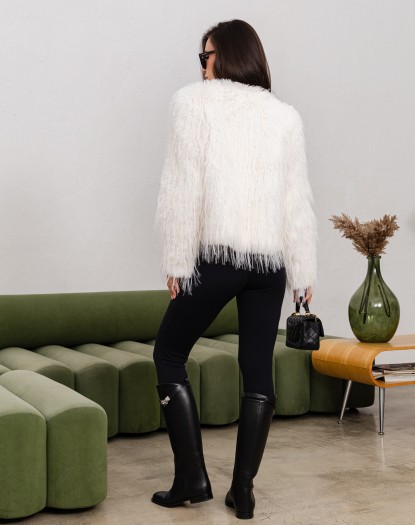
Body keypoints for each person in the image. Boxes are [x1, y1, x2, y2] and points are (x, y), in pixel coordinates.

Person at [152, 19, 317, 520]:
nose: (202, 66)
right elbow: (296, 201)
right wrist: (303, 275)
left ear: (223, 56)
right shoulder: (284, 116)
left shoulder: (193, 104)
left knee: (168, 353)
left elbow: (182, 187)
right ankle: (242, 491)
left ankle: (192, 479)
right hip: (271, 265)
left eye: (205, 56)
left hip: (219, 256)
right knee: (257, 370)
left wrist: (178, 259)